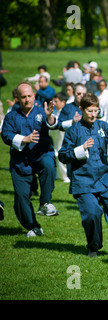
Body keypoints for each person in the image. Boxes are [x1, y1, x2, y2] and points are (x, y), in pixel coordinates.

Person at [58, 93, 108, 258]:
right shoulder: (73, 131)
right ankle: (94, 247)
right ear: (81, 109)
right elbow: (63, 155)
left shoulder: (103, 126)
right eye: (89, 111)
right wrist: (81, 149)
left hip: (104, 178)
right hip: (82, 180)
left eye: (96, 110)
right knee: (92, 213)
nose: (93, 114)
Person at [1, 82, 59, 237]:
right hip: (20, 160)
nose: (27, 100)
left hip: (42, 154)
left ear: (34, 95)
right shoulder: (12, 116)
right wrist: (23, 139)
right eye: (23, 97)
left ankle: (45, 203)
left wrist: (50, 118)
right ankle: (33, 226)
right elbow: (5, 135)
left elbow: (53, 125)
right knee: (21, 197)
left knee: (49, 165)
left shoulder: (42, 112)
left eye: (29, 96)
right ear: (18, 98)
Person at [51, 92, 70, 182]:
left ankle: (66, 176)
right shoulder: (54, 112)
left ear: (63, 102)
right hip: (58, 137)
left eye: (56, 101)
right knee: (57, 154)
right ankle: (60, 174)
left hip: (66, 137)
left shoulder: (68, 112)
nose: (54, 103)